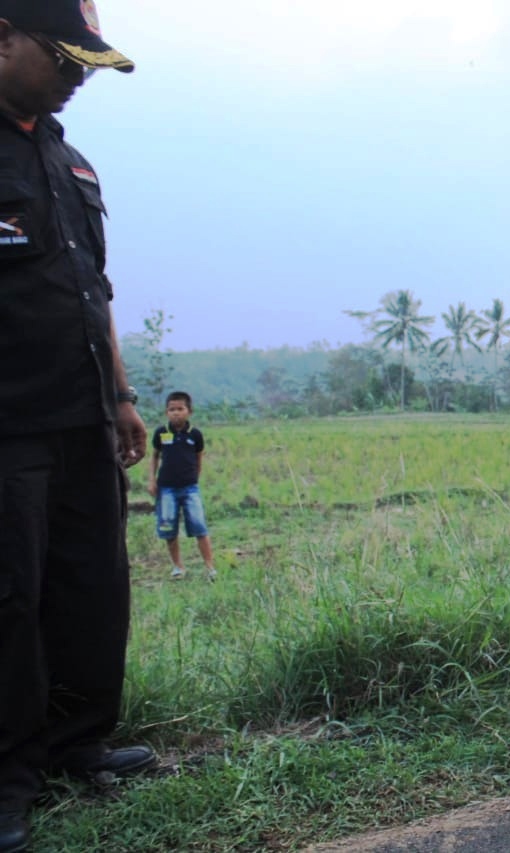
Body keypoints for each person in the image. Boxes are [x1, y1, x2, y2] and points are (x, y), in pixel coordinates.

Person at [0, 3, 153, 850]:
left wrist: (123, 397)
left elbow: (95, 294)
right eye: (63, 59)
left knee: (92, 586)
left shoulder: (72, 163)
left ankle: (76, 744)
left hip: (83, 414)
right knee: (9, 602)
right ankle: (8, 779)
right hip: (9, 426)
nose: (78, 76)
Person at [148, 391, 217, 581]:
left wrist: (196, 477)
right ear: (166, 412)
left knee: (199, 526)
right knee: (169, 527)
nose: (176, 413)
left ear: (189, 411)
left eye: (180, 409)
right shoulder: (161, 433)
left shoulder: (195, 434)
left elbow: (198, 457)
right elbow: (154, 456)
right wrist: (152, 480)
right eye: (171, 409)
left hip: (190, 488)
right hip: (166, 489)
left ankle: (210, 567)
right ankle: (178, 566)